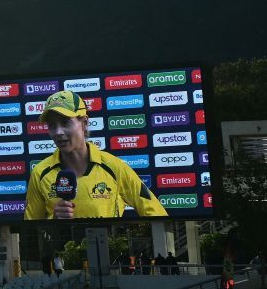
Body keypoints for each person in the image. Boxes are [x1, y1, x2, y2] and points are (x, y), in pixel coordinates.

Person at [25, 90, 167, 220]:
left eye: (65, 122)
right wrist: (53, 222)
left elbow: (156, 214)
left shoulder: (114, 167)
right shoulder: (40, 173)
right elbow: (30, 231)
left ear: (84, 122)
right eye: (51, 125)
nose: (58, 132)